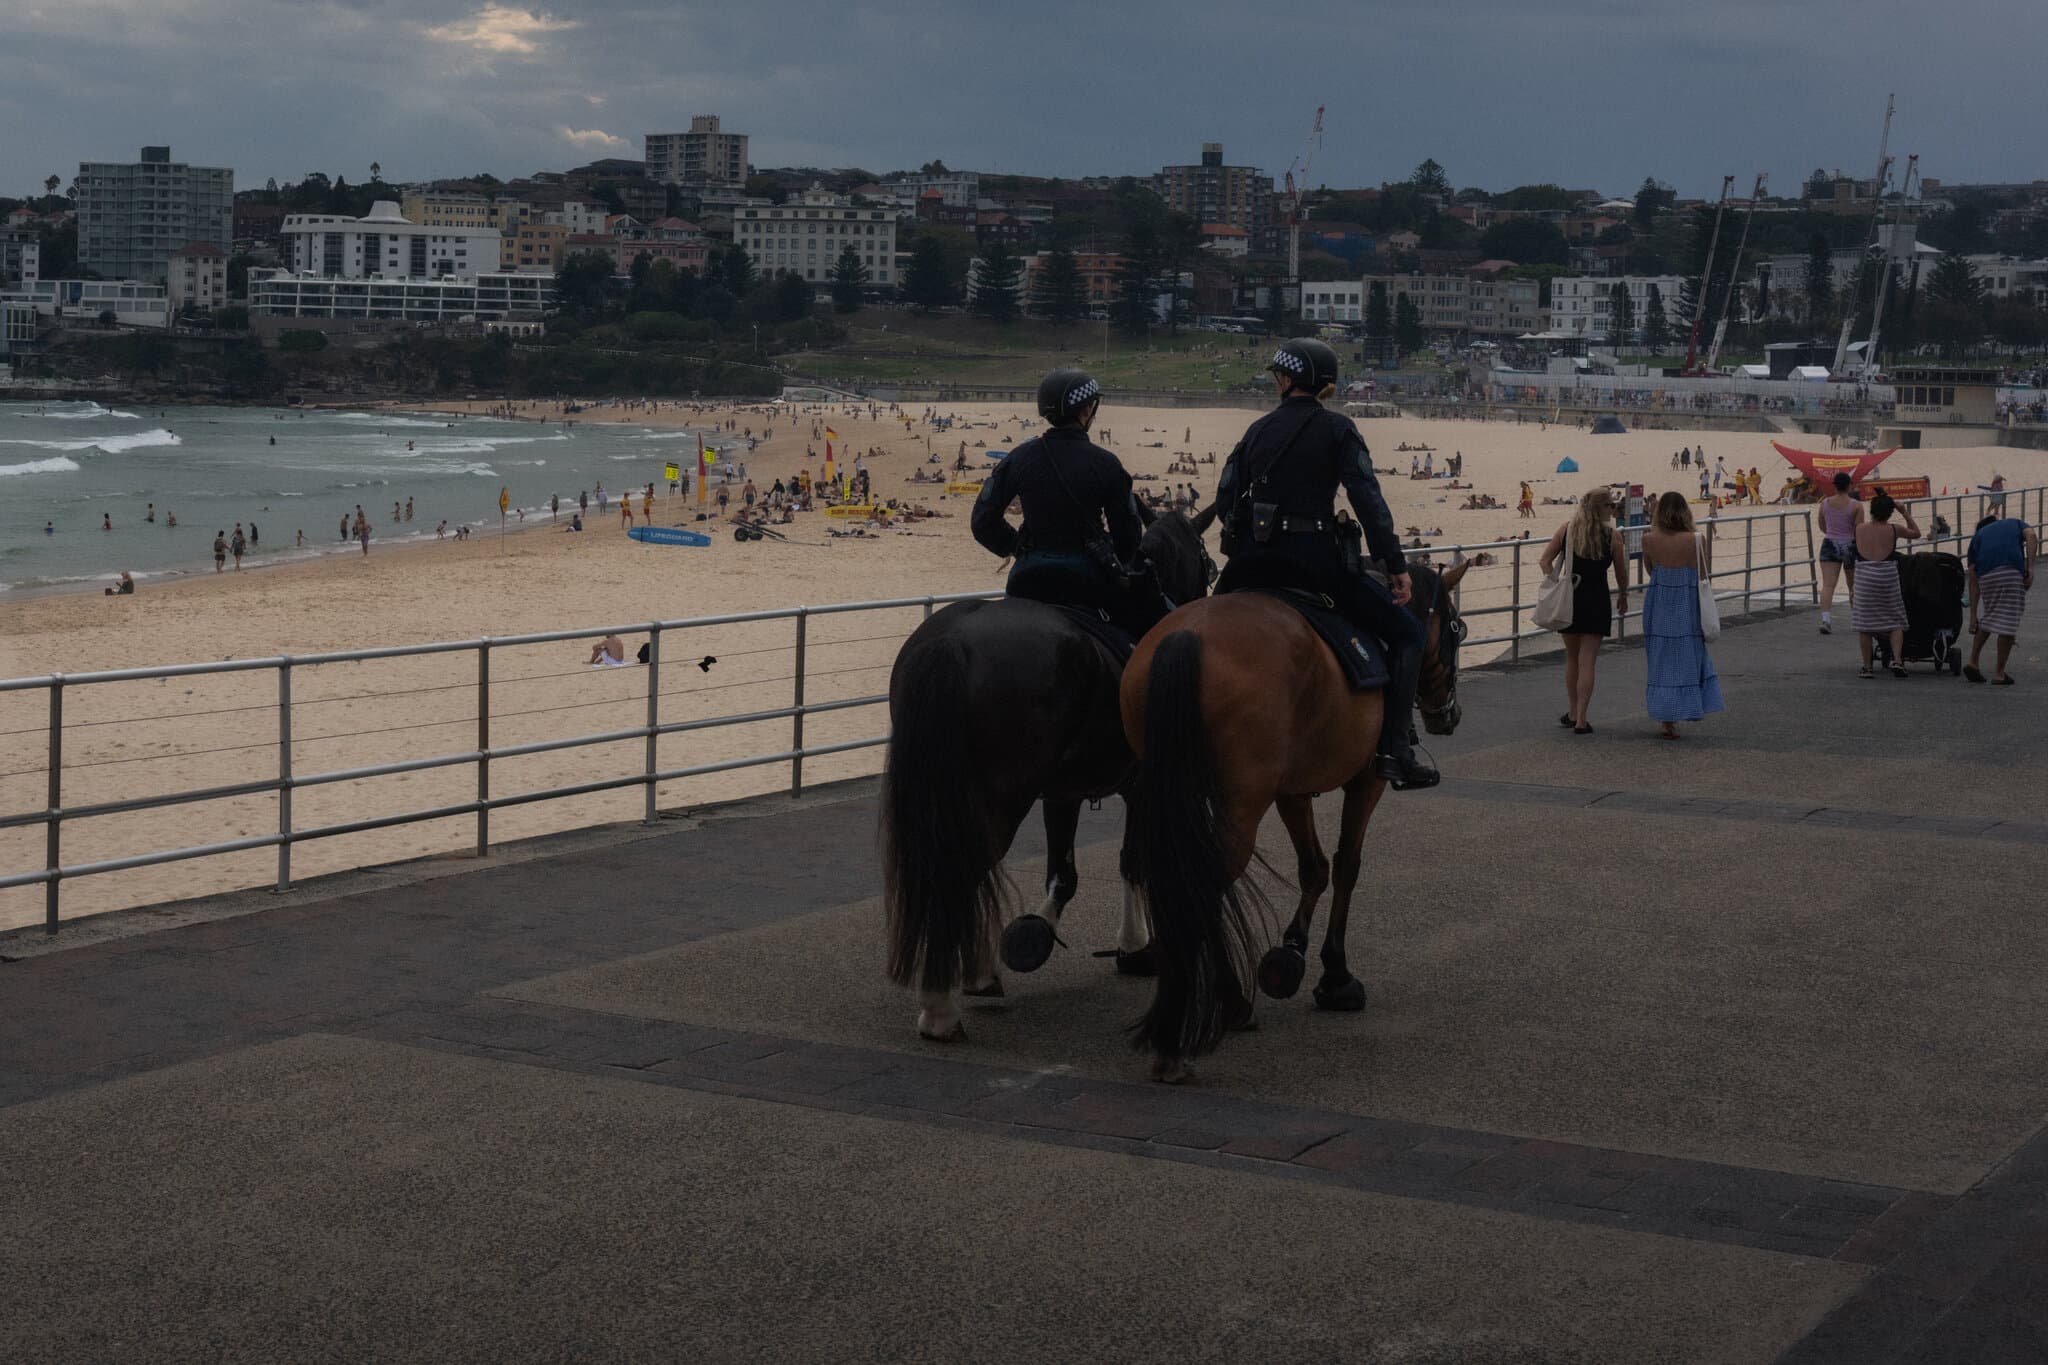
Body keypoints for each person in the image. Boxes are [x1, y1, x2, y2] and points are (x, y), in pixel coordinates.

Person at [1212, 339, 1436, 789]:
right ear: (1325, 384)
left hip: (1251, 565)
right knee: (1409, 634)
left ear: (1287, 379)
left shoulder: (1255, 431)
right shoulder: (1338, 429)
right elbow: (1368, 502)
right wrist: (1395, 564)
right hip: (1314, 564)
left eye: (1278, 374)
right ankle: (1396, 749)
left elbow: (1224, 500)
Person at [971, 367, 1162, 641]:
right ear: (1085, 411)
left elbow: (982, 522)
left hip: (1027, 577)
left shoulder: (1018, 458)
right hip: (1087, 579)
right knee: (1132, 645)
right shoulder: (1106, 463)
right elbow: (1128, 536)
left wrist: (1017, 546)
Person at [1539, 486, 1629, 734]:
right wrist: (1623, 593)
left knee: (1572, 658)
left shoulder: (1567, 530)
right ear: (1598, 508)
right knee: (1588, 660)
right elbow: (1621, 572)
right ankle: (1582, 719)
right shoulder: (1613, 537)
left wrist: (1555, 582)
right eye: (1609, 505)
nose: (1613, 509)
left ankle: (1572, 711)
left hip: (1571, 597)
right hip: (1597, 598)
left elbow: (1545, 560)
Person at [1640, 492, 1723, 739]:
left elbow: (1650, 569)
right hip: (1688, 602)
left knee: (1660, 657)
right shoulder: (1696, 539)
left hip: (1659, 603)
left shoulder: (1648, 539)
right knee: (1688, 655)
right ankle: (1685, 707)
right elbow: (1703, 572)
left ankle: (1666, 717)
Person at [1850, 492, 1920, 679]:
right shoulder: (1894, 529)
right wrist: (1904, 512)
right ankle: (1897, 660)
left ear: (1872, 510)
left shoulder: (1859, 529)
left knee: (1864, 624)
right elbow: (1916, 533)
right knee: (1895, 620)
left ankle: (1867, 667)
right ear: (1890, 513)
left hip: (1865, 576)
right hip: (1887, 575)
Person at [1964, 512, 2038, 684]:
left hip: (1987, 577)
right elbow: (2032, 535)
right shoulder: (2014, 522)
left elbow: (1973, 579)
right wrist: (2031, 568)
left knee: (1991, 616)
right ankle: (1999, 673)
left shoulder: (1976, 538)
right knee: (2008, 623)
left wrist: (1973, 616)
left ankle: (1973, 662)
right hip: (2011, 571)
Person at [1814, 472, 1862, 634]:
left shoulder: (1825, 503)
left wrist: (1832, 533)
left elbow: (1822, 525)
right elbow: (1859, 529)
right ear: (1849, 485)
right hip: (1850, 544)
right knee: (1853, 584)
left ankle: (1826, 620)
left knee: (1828, 585)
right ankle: (1856, 619)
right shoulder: (1856, 505)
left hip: (1830, 543)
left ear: (1834, 486)